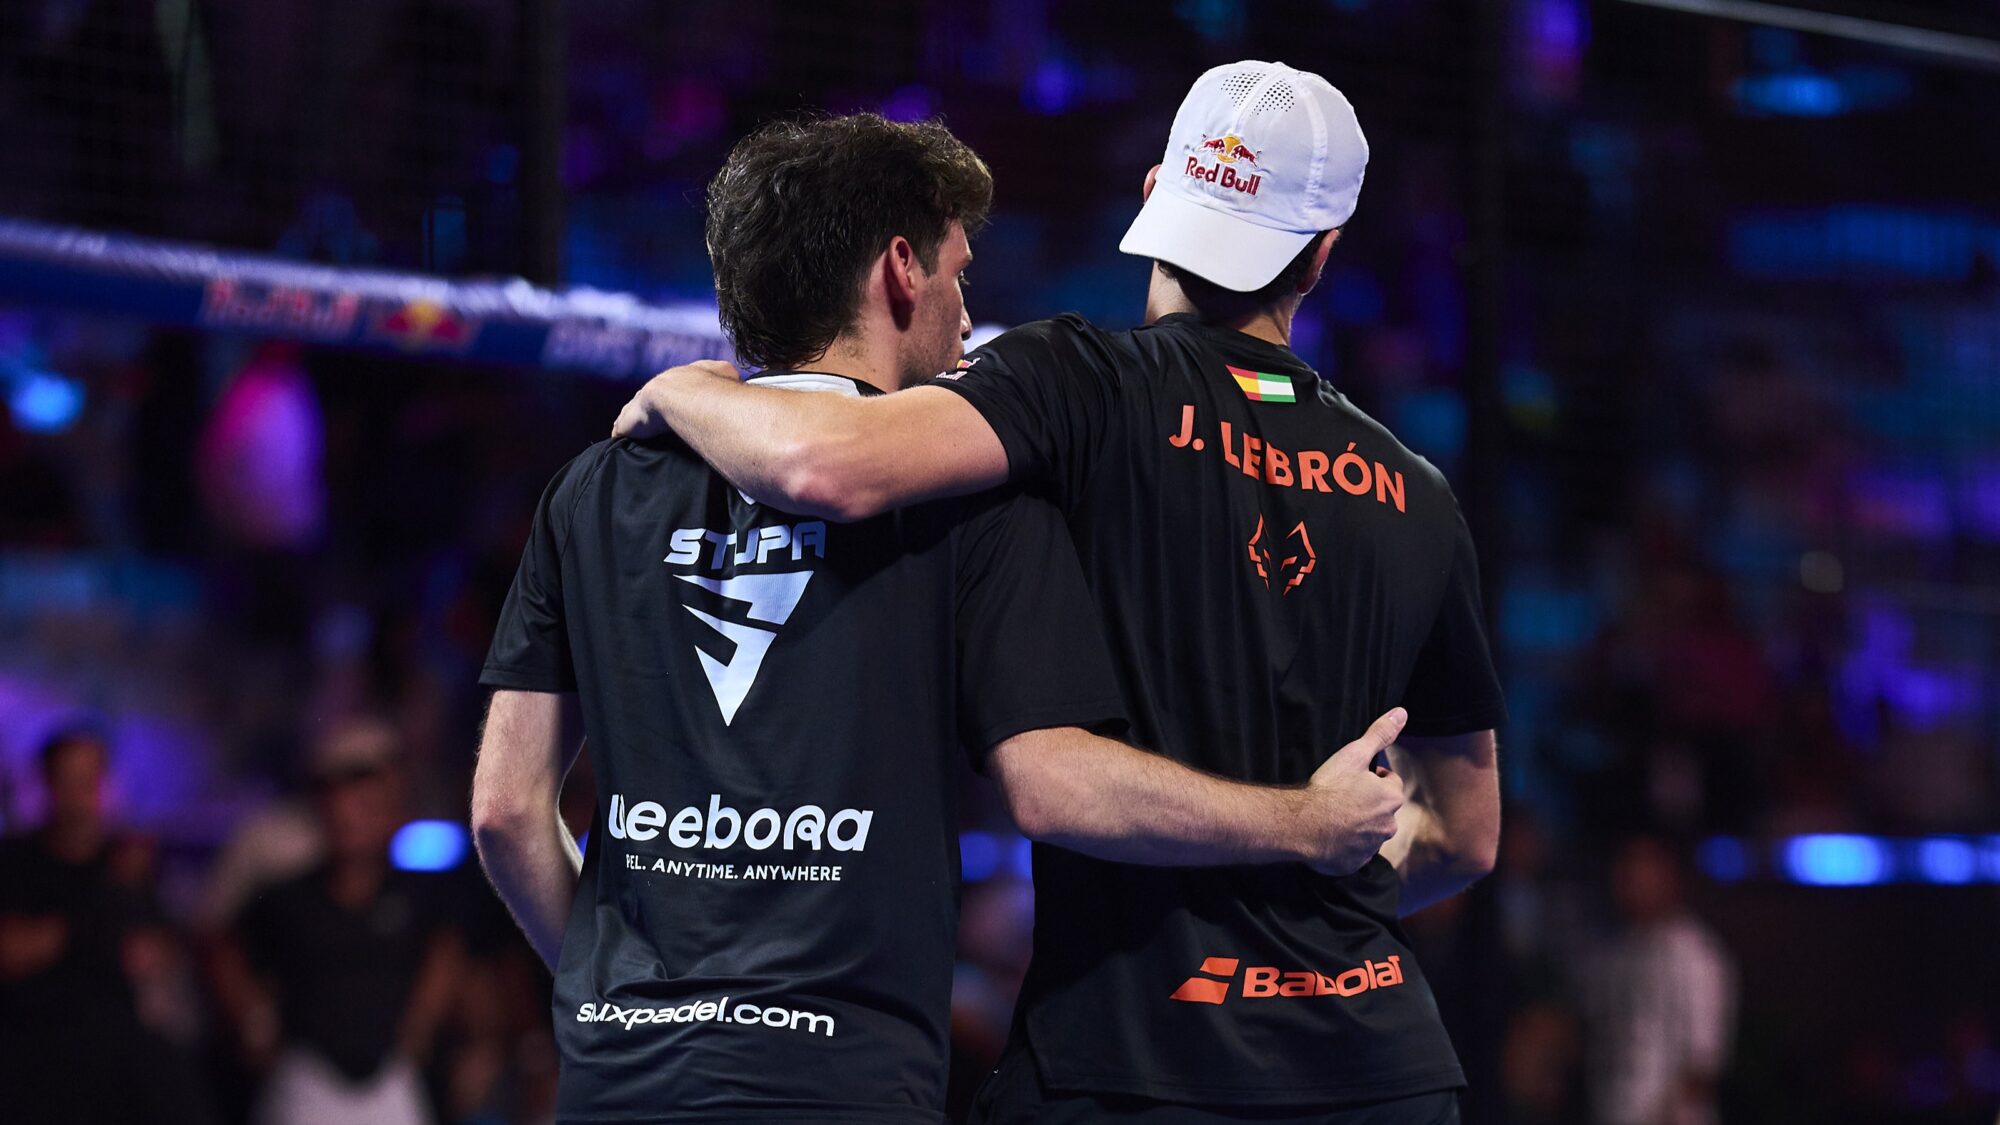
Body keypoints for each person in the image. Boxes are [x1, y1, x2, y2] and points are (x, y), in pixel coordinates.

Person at [473, 111, 1413, 1125]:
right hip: (842, 1084)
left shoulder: (591, 488)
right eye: (959, 274)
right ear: (899, 272)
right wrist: (1303, 821)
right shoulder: (970, 500)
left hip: (618, 1080)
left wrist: (621, 1004)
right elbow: (1056, 784)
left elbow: (504, 812)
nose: (969, 317)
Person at [212, 719, 463, 1125]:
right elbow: (220, 942)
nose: (351, 816)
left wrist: (423, 1023)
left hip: (391, 1077)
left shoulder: (418, 895)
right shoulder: (288, 897)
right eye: (339, 800)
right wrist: (253, 1021)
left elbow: (448, 948)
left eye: (366, 802)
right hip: (307, 1077)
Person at [0, 726, 217, 1125]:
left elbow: (151, 956)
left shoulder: (129, 865)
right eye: (69, 780)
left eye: (91, 780)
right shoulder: (16, 863)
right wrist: (97, 911)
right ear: (47, 784)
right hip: (33, 1047)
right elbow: (12, 952)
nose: (81, 795)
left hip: (116, 1050)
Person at [1579, 835, 1736, 1125]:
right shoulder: (1614, 952)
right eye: (1626, 867)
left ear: (1669, 875)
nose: (1631, 879)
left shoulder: (1695, 955)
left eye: (1643, 868)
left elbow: (1703, 1064)